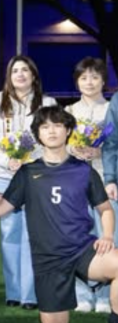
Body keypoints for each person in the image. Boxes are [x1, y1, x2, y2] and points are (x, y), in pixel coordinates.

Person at [0, 105, 118, 323]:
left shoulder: (84, 171)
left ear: (69, 130)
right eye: (45, 127)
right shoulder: (28, 173)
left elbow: (105, 209)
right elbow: (1, 208)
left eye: (58, 125)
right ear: (38, 135)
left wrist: (107, 236)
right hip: (49, 259)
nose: (52, 131)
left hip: (82, 249)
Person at [0, 55, 56, 310]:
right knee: (9, 233)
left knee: (33, 234)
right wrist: (5, 159)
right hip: (4, 177)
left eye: (25, 70)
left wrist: (31, 159)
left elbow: (55, 137)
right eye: (15, 71)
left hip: (37, 177)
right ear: (9, 77)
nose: (20, 75)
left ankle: (30, 295)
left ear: (34, 74)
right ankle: (13, 291)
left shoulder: (48, 103)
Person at [65, 57, 111, 313]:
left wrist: (99, 153)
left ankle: (105, 294)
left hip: (106, 180)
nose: (89, 82)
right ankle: (82, 293)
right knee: (79, 237)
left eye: (94, 77)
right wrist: (76, 148)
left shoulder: (112, 110)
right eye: (84, 77)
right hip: (76, 181)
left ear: (103, 80)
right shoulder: (70, 111)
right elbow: (60, 144)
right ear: (77, 82)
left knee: (108, 237)